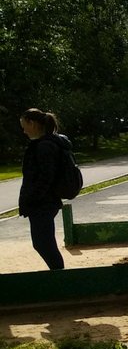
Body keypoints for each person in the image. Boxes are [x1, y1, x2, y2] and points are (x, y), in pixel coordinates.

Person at [18, 108, 68, 270]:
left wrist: (33, 198)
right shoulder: (46, 144)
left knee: (43, 244)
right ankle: (59, 274)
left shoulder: (44, 146)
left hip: (43, 203)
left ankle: (60, 277)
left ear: (32, 123)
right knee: (43, 243)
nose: (23, 130)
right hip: (45, 202)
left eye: (24, 125)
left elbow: (46, 177)